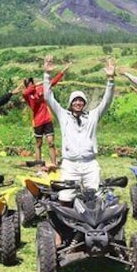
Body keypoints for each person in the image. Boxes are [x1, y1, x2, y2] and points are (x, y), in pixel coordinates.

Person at [44, 54, 115, 189]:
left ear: (85, 103)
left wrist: (110, 80)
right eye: (75, 100)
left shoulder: (92, 116)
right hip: (70, 163)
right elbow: (48, 97)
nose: (78, 103)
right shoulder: (63, 115)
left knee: (93, 195)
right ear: (70, 103)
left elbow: (107, 101)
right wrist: (47, 75)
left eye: (81, 100)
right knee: (66, 197)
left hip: (90, 163)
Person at [22, 65, 69, 168]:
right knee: (38, 144)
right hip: (37, 121)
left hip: (47, 119)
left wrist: (62, 72)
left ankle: (54, 164)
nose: (31, 85)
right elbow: (26, 92)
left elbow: (52, 82)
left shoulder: (40, 89)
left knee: (51, 142)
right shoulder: (27, 95)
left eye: (31, 83)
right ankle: (38, 165)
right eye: (29, 84)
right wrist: (35, 85)